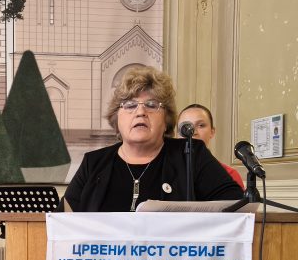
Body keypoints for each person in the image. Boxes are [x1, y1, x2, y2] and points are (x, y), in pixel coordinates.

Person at [63, 67, 243, 212]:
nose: (140, 112)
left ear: (166, 120)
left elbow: (235, 204)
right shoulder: (93, 163)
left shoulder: (191, 154)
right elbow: (62, 220)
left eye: (151, 105)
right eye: (130, 105)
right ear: (116, 119)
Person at [177, 103, 245, 189]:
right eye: (185, 127)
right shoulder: (165, 171)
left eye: (201, 125)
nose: (192, 132)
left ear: (212, 132)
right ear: (177, 134)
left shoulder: (229, 175)